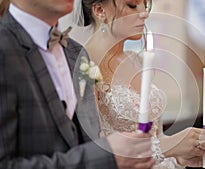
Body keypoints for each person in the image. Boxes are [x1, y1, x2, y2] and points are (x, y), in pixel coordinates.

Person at [0, 0, 156, 169]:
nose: (143, 13)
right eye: (132, 5)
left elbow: (87, 139)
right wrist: (106, 158)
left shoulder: (76, 53)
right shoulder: (4, 50)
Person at [74, 0, 205, 168]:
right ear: (99, 10)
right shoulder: (84, 68)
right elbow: (97, 154)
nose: (145, 13)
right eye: (132, 5)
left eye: (146, 5)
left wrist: (180, 157)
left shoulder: (137, 60)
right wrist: (171, 145)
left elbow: (157, 138)